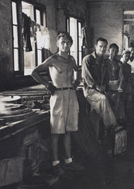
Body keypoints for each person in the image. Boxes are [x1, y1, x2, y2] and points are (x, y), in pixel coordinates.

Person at [31, 32, 83, 177]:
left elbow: (77, 70)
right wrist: (47, 84)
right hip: (58, 95)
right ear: (57, 44)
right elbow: (34, 72)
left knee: (68, 130)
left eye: (68, 42)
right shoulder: (53, 59)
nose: (65, 45)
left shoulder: (71, 59)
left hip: (71, 95)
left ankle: (69, 161)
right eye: (62, 42)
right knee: (56, 131)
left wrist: (77, 81)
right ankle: (55, 163)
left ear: (71, 44)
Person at [82, 37, 121, 138]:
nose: (102, 49)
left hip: (100, 91)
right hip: (90, 90)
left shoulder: (105, 62)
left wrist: (105, 87)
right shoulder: (88, 59)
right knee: (103, 99)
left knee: (95, 116)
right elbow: (86, 77)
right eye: (100, 46)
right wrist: (97, 86)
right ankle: (113, 125)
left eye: (104, 47)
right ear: (96, 46)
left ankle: (95, 141)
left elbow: (106, 78)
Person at [107, 43, 124, 121]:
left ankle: (116, 125)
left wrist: (120, 86)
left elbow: (121, 76)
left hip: (116, 86)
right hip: (106, 86)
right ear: (108, 50)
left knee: (116, 107)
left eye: (116, 51)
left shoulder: (119, 63)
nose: (114, 53)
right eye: (112, 50)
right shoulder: (104, 62)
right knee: (107, 107)